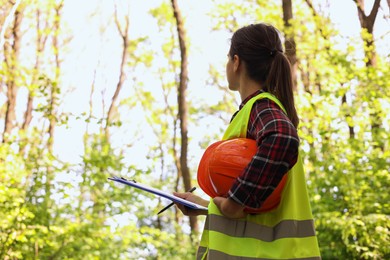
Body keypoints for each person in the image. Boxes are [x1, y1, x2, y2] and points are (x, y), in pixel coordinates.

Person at [174, 23, 321, 259]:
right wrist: (205, 205)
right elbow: (258, 212)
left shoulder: (261, 106)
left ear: (236, 62)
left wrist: (235, 201)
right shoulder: (257, 110)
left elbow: (282, 137)